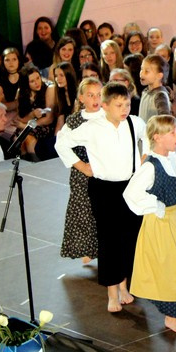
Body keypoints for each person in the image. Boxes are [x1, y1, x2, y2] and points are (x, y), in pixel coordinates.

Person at [55, 82, 148, 313]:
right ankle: (112, 292)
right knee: (109, 239)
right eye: (118, 105)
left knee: (129, 238)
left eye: (127, 104)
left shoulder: (134, 123)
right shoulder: (92, 127)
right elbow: (62, 143)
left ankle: (124, 285)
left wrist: (144, 158)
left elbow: (148, 137)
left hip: (130, 187)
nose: (124, 109)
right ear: (105, 106)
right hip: (104, 189)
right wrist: (81, 166)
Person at [123, 115, 176, 334]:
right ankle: (172, 317)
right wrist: (156, 206)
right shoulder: (150, 166)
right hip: (161, 223)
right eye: (172, 132)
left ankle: (173, 315)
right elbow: (131, 193)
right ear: (157, 137)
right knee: (171, 270)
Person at [59, 77, 102, 265]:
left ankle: (103, 248)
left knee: (103, 212)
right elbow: (61, 145)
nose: (95, 99)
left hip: (105, 171)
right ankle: (89, 248)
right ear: (81, 98)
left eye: (99, 95)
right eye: (91, 95)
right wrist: (81, 166)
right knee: (84, 212)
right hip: (82, 173)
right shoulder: (75, 121)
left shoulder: (108, 117)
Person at [15, 64, 56, 160]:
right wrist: (32, 114)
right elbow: (20, 118)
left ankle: (35, 164)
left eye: (38, 78)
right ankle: (24, 164)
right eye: (32, 81)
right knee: (18, 139)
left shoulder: (49, 89)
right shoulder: (21, 92)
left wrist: (26, 126)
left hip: (45, 126)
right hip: (29, 125)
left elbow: (49, 119)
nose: (37, 83)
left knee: (27, 137)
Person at [138, 54, 172, 121]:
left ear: (159, 76)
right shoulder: (145, 91)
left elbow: (165, 120)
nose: (141, 73)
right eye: (141, 69)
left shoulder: (160, 95)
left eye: (147, 71)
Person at [53, 62, 78, 134]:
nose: (58, 79)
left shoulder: (78, 93)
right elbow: (60, 122)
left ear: (69, 75)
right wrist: (56, 138)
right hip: (66, 132)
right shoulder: (61, 94)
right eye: (56, 76)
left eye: (61, 75)